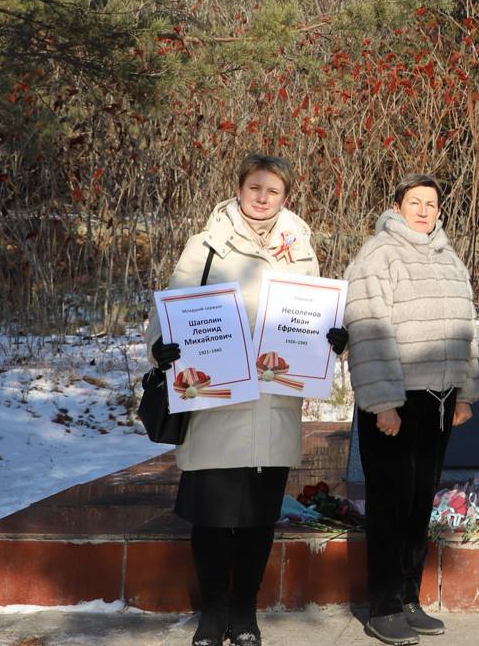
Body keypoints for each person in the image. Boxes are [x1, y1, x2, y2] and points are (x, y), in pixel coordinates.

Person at [148, 153, 348, 646]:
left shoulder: (300, 249)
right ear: (238, 190)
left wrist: (331, 338)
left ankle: (244, 612)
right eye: (255, 188)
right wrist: (161, 346)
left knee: (259, 518)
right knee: (212, 517)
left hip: (273, 402)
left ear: (286, 198)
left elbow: (310, 317)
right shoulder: (206, 245)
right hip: (214, 401)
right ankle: (212, 613)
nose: (262, 198)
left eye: (273, 191)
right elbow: (171, 306)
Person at [343, 174, 479, 646]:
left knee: (420, 500)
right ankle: (383, 606)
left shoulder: (449, 257)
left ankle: (407, 597)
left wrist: (466, 392)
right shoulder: (378, 255)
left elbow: (465, 328)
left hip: (439, 401)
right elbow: (368, 330)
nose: (423, 211)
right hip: (396, 400)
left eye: (431, 204)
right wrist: (383, 404)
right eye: (414, 202)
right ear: (398, 207)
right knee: (390, 503)